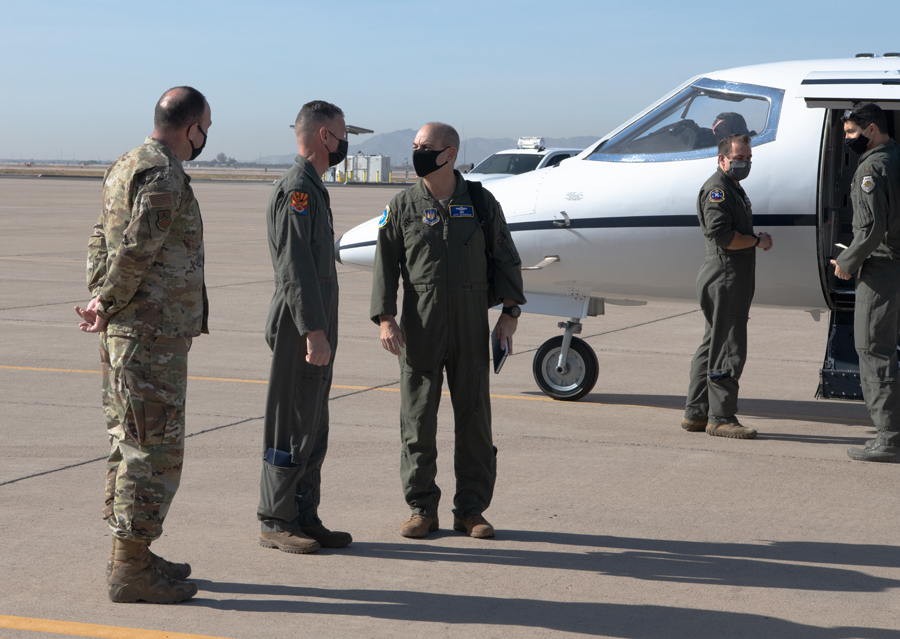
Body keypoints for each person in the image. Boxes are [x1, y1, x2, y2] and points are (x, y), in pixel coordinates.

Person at [74, 86, 211, 604]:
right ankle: (130, 569)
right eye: (207, 129)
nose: (205, 139)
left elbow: (99, 237)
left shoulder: (124, 164)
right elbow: (135, 247)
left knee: (129, 443)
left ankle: (131, 553)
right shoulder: (164, 173)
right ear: (191, 126)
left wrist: (98, 298)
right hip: (148, 335)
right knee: (150, 451)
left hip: (132, 332)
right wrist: (106, 302)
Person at [370, 122, 526, 539]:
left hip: (471, 327)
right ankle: (422, 507)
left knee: (474, 421)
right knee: (417, 421)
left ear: (450, 153)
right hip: (420, 328)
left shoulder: (479, 201)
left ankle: (470, 510)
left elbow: (506, 255)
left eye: (426, 147)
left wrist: (510, 310)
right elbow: (384, 264)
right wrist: (385, 317)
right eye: (415, 145)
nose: (418, 152)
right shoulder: (402, 205)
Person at [256, 100, 352, 553]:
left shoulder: (314, 187)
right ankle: (276, 519)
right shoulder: (298, 188)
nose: (346, 142)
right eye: (342, 133)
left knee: (313, 421)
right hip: (300, 323)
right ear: (323, 137)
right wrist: (313, 330)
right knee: (291, 419)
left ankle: (304, 515)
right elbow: (295, 267)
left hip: (315, 321)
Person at [682, 133, 773, 439]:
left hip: (729, 274)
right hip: (725, 275)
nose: (743, 163)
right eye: (738, 158)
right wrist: (757, 241)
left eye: (747, 158)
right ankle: (721, 417)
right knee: (729, 346)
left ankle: (696, 413)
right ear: (722, 159)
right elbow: (722, 235)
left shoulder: (732, 187)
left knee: (712, 343)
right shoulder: (718, 190)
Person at [831, 102, 900, 463]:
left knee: (873, 349)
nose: (848, 140)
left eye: (851, 133)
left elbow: (873, 229)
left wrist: (847, 261)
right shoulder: (895, 158)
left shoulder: (872, 167)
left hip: (882, 267)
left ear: (871, 129)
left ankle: (888, 437)